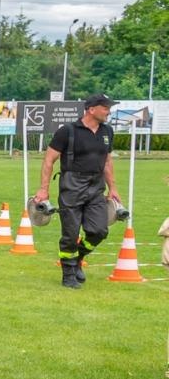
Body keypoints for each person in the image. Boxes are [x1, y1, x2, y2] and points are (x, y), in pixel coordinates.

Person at [34, 94, 124, 289]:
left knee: (99, 231)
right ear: (91, 109)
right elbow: (49, 160)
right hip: (72, 186)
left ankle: (78, 259)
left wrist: (113, 187)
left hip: (96, 187)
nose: (109, 111)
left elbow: (107, 161)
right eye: (105, 107)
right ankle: (68, 274)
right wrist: (43, 190)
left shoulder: (107, 131)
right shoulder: (67, 131)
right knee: (70, 233)